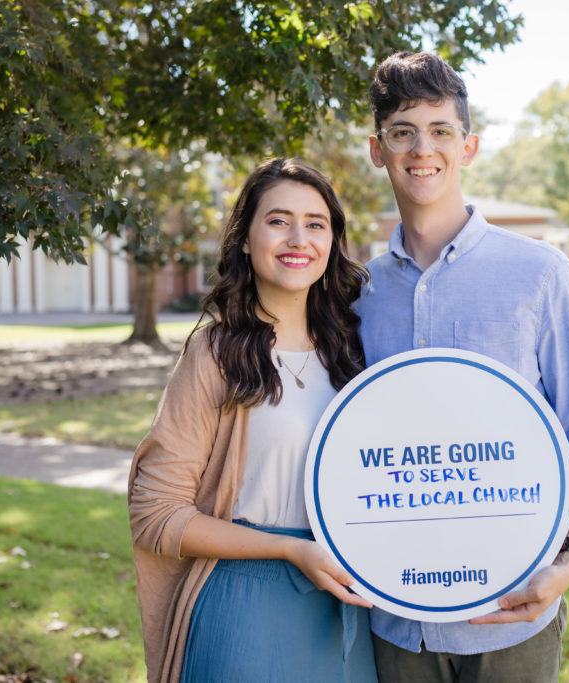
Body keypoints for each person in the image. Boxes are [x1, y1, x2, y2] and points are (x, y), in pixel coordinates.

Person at [354, 52, 569, 682]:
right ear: (377, 150)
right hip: (395, 619)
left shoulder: (539, 272)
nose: (423, 149)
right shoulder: (355, 292)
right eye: (402, 132)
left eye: (441, 130)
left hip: (514, 611)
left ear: (468, 146)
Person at [127, 157, 377, 683]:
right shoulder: (216, 356)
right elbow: (156, 513)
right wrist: (290, 548)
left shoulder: (356, 352)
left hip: (347, 613)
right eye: (278, 220)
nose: (298, 239)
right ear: (245, 239)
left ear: (332, 242)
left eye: (315, 224)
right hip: (245, 608)